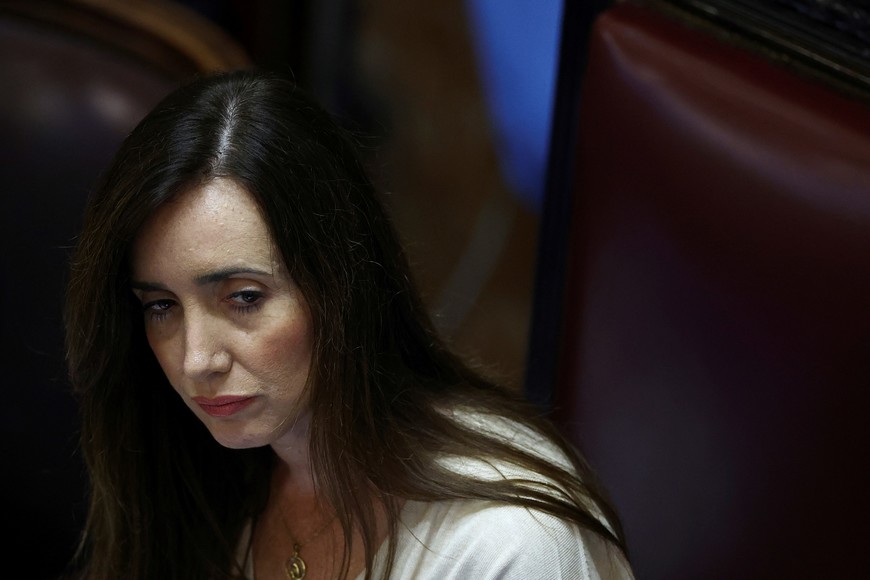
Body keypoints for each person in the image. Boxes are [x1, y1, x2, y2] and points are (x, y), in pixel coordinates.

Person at [63, 68, 633, 580]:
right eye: (161, 306)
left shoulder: (510, 547)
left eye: (242, 298)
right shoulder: (205, 468)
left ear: (342, 289)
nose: (195, 360)